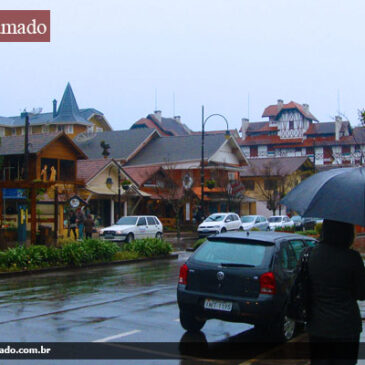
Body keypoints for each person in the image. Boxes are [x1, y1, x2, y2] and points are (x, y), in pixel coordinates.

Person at [307, 219, 365, 364]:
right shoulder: (352, 258)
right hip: (346, 326)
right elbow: (361, 294)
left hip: (318, 325)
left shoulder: (312, 255)